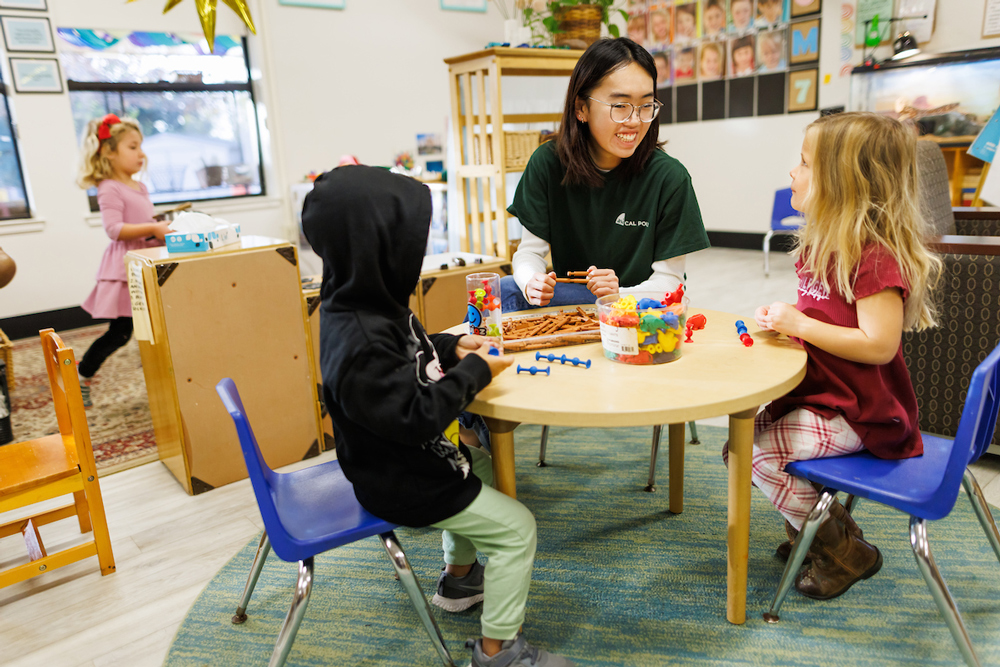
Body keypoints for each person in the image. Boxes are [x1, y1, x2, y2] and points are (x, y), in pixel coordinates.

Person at [300, 165, 575, 667]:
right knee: (517, 529)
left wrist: (451, 345)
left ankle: (461, 577)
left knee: (485, 469)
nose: (418, 257)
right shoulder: (358, 337)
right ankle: (500, 652)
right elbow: (415, 418)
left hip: (405, 462)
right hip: (402, 478)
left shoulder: (368, 303)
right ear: (378, 247)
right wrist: (474, 372)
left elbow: (411, 347)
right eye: (410, 245)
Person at [723, 112, 941, 600]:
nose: (792, 173)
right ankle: (823, 528)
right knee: (742, 442)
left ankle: (844, 553)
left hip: (864, 411)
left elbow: (879, 343)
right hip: (831, 396)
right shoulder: (823, 244)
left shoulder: (875, 257)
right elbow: (821, 315)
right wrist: (787, 321)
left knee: (757, 456)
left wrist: (801, 325)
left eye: (803, 164)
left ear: (844, 184)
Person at [501, 37, 709, 312]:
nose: (634, 120)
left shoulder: (669, 177)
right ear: (581, 108)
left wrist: (618, 294)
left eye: (646, 105)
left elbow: (671, 285)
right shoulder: (548, 162)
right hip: (579, 304)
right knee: (505, 289)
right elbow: (529, 252)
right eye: (620, 106)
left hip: (640, 308)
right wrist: (531, 281)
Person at [76, 114, 171, 408]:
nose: (141, 153)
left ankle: (163, 378)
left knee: (159, 324)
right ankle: (82, 374)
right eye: (132, 147)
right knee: (120, 333)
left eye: (141, 146)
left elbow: (143, 225)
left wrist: (161, 232)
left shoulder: (140, 187)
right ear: (108, 152)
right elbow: (114, 230)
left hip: (146, 262)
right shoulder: (109, 188)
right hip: (124, 268)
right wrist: (153, 229)